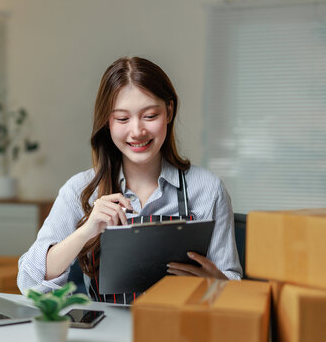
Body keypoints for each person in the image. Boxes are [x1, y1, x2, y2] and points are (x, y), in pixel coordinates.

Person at [17, 56, 242, 304]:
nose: (137, 131)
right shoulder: (80, 190)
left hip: (181, 332)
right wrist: (87, 230)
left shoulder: (208, 189)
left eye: (150, 115)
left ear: (168, 111)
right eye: (122, 119)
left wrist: (219, 282)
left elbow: (234, 286)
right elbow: (30, 284)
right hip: (107, 333)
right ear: (107, 123)